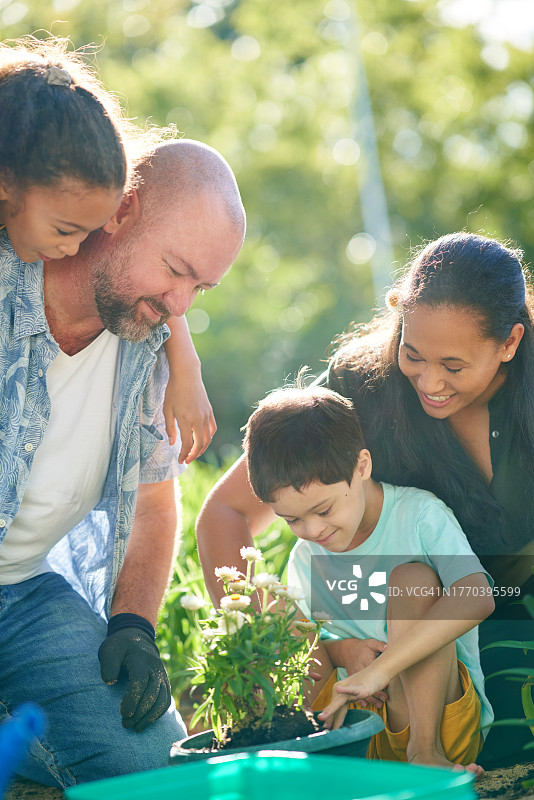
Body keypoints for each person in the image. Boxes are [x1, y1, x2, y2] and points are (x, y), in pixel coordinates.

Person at [195, 232, 534, 768]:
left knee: (514, 747)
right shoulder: (363, 387)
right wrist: (284, 659)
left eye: (453, 366)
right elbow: (226, 512)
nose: (429, 382)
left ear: (510, 343)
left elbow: (478, 593)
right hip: (387, 621)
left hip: (508, 603)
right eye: (413, 354)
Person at [0, 137, 246, 787]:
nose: (181, 304)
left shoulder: (147, 347)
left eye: (201, 286)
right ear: (121, 209)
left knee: (158, 773)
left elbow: (153, 501)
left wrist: (133, 624)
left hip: (23, 593)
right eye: (176, 269)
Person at [242, 384, 494, 772]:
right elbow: (310, 643)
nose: (312, 530)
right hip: (350, 725)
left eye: (323, 510)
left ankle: (424, 754)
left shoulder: (419, 515)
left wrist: (382, 669)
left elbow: (478, 596)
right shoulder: (307, 555)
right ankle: (313, 753)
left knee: (414, 579)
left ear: (361, 466)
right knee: (284, 621)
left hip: (433, 723)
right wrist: (342, 652)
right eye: (292, 519)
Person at [0, 36, 216, 468]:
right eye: (65, 230)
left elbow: (159, 275)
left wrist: (186, 364)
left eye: (89, 231)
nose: (74, 248)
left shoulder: (57, 204)